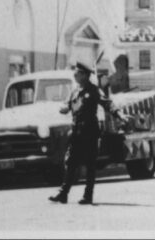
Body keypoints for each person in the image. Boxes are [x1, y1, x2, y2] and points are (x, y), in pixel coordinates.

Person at [48, 61, 113, 206]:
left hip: (90, 132)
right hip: (76, 132)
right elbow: (66, 104)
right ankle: (63, 194)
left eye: (77, 73)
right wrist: (65, 107)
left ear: (84, 75)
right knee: (71, 162)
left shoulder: (94, 90)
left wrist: (119, 114)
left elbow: (107, 103)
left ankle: (88, 196)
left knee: (90, 164)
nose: (75, 74)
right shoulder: (75, 91)